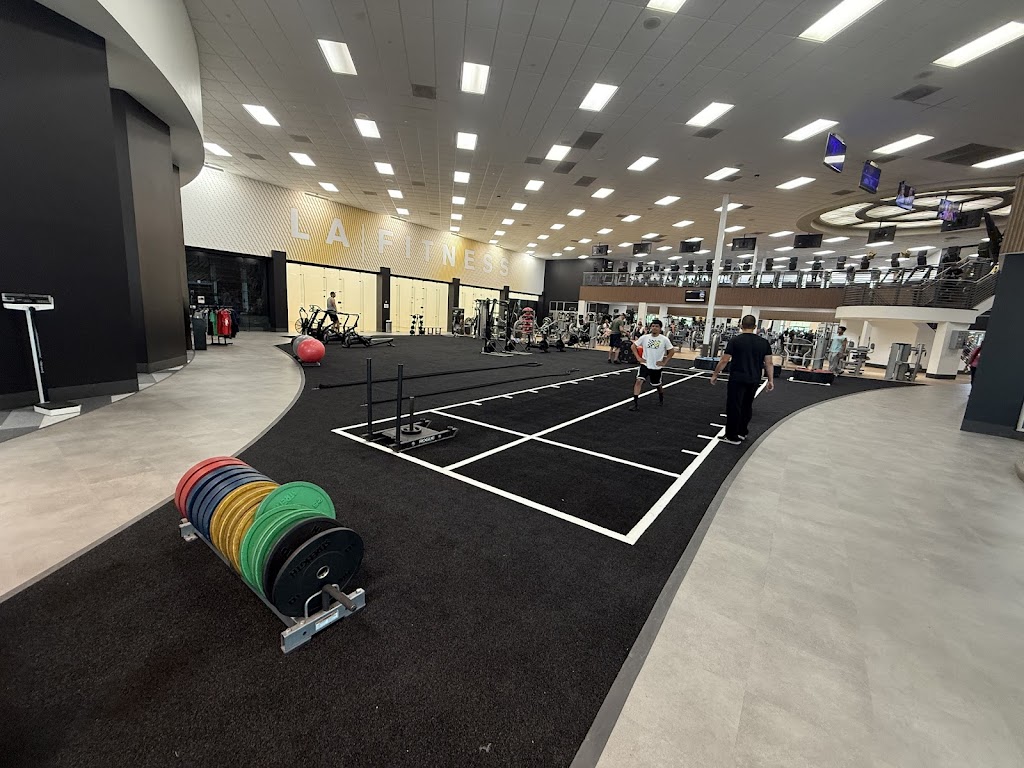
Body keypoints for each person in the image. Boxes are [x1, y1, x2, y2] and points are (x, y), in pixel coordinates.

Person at [711, 314, 774, 444]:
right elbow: (769, 363)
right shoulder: (764, 343)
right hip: (754, 379)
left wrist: (715, 374)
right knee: (747, 405)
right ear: (755, 326)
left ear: (741, 326)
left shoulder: (735, 341)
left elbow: (724, 360)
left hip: (737, 378)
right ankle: (742, 432)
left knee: (734, 406)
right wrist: (770, 380)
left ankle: (732, 436)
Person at [629, 319, 674, 411]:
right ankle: (635, 403)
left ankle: (661, 397)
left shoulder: (664, 339)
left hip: (656, 367)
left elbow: (672, 351)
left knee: (657, 384)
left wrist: (664, 362)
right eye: (653, 326)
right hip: (645, 365)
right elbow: (633, 346)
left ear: (660, 328)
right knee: (639, 381)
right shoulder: (645, 337)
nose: (654, 328)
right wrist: (638, 358)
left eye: (657, 326)